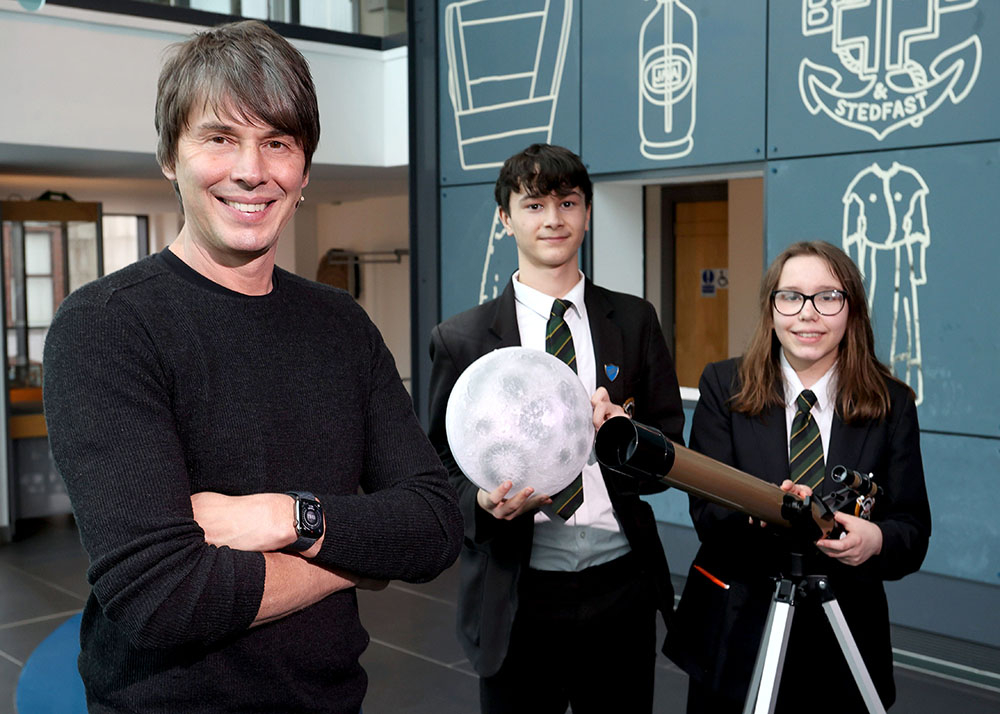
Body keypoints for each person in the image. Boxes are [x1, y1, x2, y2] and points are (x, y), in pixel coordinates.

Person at [42, 20, 462, 714]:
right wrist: (356, 554)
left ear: (302, 170)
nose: (250, 170)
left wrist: (284, 517)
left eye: (277, 142)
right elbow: (163, 596)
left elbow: (435, 522)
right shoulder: (106, 327)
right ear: (170, 157)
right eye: (219, 137)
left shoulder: (342, 326)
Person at [427, 143, 685, 714]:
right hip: (518, 589)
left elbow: (672, 446)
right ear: (505, 218)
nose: (553, 219)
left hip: (621, 583)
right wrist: (483, 505)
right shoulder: (463, 339)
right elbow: (440, 468)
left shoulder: (635, 319)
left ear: (587, 213)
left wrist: (627, 437)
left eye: (568, 203)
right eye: (534, 204)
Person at [664, 241, 931, 713]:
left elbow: (911, 529)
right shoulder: (724, 386)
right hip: (738, 629)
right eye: (791, 297)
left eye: (828, 297)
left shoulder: (891, 403)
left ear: (852, 310)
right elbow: (709, 513)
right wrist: (766, 510)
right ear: (771, 309)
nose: (808, 314)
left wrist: (875, 539)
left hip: (844, 633)